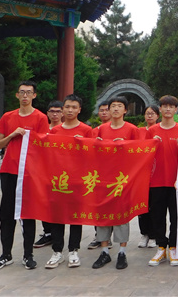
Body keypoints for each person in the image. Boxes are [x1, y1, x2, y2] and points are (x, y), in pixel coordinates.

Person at [0, 81, 49, 271]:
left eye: (28, 92)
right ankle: (5, 255)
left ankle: (28, 255)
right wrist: (12, 135)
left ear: (34, 96)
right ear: (17, 95)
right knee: (6, 214)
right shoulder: (8, 117)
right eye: (22, 92)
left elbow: (44, 146)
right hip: (9, 171)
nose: (25, 96)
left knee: (27, 213)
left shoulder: (40, 118)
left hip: (29, 173)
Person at [91, 96, 140, 270]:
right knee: (103, 214)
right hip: (103, 178)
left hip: (122, 179)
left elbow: (139, 152)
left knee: (121, 215)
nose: (116, 109)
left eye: (120, 106)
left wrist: (125, 146)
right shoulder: (101, 129)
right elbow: (91, 151)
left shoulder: (132, 129)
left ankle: (122, 252)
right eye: (113, 106)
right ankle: (104, 251)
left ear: (125, 110)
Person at [45, 94, 92, 269]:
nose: (70, 110)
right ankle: (57, 251)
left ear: (79, 110)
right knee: (56, 216)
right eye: (67, 107)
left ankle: (73, 250)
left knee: (75, 217)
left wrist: (83, 145)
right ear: (63, 109)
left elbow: (93, 155)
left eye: (74, 107)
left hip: (77, 181)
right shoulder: (54, 131)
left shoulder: (87, 130)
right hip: (58, 181)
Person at [147, 95, 178, 268]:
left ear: (176, 109)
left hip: (176, 182)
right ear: (160, 109)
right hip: (156, 181)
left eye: (171, 106)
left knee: (176, 217)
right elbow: (144, 154)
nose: (168, 109)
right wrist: (151, 145)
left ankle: (173, 247)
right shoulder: (152, 131)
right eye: (165, 106)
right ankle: (161, 247)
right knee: (157, 216)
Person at [34, 100, 64, 250]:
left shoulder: (65, 130)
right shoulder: (42, 129)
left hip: (61, 174)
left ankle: (57, 234)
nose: (55, 114)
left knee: (58, 205)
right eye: (52, 111)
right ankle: (47, 232)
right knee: (43, 202)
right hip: (44, 172)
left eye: (58, 111)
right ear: (47, 113)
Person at [88, 101, 114, 250]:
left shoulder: (118, 128)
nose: (104, 112)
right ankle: (99, 236)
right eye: (101, 110)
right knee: (98, 206)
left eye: (106, 110)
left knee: (111, 206)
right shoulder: (95, 130)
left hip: (115, 174)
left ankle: (108, 237)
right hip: (97, 173)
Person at [138, 104, 160, 248]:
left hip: (156, 174)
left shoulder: (159, 130)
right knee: (141, 206)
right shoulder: (138, 131)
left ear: (158, 115)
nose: (150, 116)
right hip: (141, 174)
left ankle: (153, 235)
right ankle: (144, 233)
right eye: (147, 113)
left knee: (154, 206)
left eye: (152, 113)